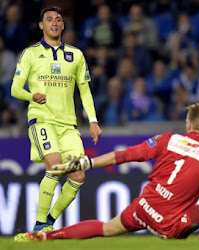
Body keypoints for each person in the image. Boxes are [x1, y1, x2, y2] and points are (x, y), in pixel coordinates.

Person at [14, 103, 199, 241]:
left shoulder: (167, 138)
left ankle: (46, 236)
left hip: (143, 208)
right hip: (171, 225)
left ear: (189, 124)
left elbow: (125, 155)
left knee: (105, 228)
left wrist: (88, 163)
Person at [11, 6, 102, 232]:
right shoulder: (30, 54)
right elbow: (15, 89)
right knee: (54, 165)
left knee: (78, 175)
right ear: (41, 25)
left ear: (62, 26)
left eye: (58, 20)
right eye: (49, 19)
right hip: (42, 120)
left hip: (68, 125)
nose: (54, 23)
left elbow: (85, 91)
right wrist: (32, 96)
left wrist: (93, 120)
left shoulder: (76, 55)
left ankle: (49, 222)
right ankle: (39, 226)